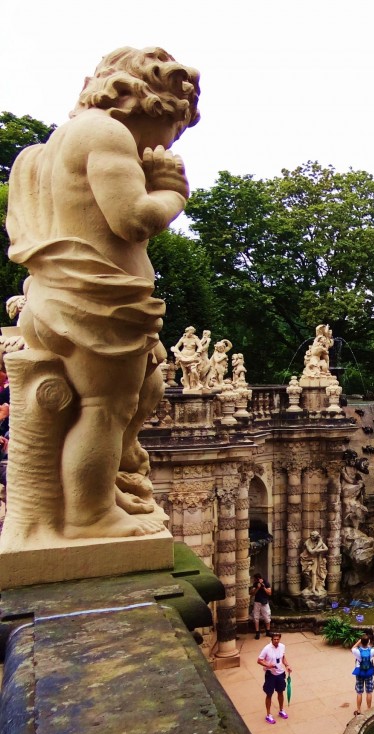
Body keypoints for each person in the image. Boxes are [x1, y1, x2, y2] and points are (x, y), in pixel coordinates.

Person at [5, 47, 199, 539]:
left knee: (141, 393)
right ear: (155, 105)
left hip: (76, 298)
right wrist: (172, 192)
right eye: (176, 129)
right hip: (95, 303)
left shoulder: (53, 147)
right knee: (104, 408)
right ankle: (88, 514)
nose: (170, 144)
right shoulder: (107, 134)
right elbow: (133, 219)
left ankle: (97, 488)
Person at [257, 631, 292, 724]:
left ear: (279, 639)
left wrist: (287, 665)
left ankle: (281, 710)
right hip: (270, 675)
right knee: (269, 694)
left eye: (277, 639)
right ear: (271, 639)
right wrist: (268, 665)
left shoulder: (282, 646)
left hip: (280, 673)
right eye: (274, 639)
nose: (276, 641)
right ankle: (268, 715)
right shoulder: (267, 649)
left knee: (280, 692)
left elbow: (283, 657)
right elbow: (259, 660)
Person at [352, 632, 374, 714]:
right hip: (369, 672)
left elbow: (353, 648)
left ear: (361, 642)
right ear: (368, 642)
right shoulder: (372, 650)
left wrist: (359, 642)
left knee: (359, 692)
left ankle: (359, 710)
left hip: (359, 672)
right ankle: (369, 709)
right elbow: (373, 655)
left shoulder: (357, 651)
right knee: (369, 692)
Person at [252, 573, 273, 638]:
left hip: (264, 602)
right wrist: (257, 588)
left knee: (267, 617)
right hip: (257, 602)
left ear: (258, 578)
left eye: (254, 579)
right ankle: (257, 632)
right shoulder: (255, 584)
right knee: (256, 617)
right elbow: (252, 593)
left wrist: (263, 587)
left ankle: (268, 631)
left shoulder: (266, 583)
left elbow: (269, 593)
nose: (254, 580)